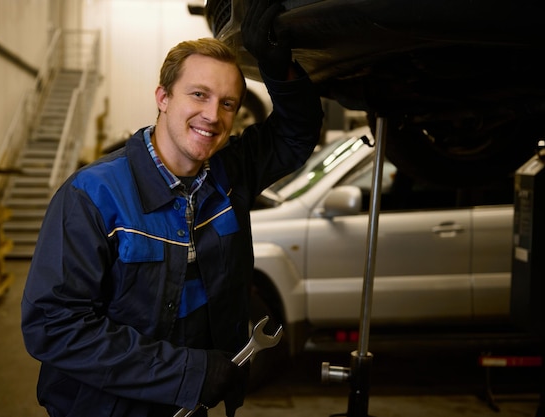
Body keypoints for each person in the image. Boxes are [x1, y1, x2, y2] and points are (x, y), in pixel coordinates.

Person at [21, 2, 323, 417]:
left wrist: (277, 67)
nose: (213, 115)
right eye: (199, 95)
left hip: (191, 405)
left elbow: (295, 133)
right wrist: (186, 373)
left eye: (228, 103)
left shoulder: (229, 174)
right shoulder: (91, 195)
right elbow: (53, 326)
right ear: (162, 97)